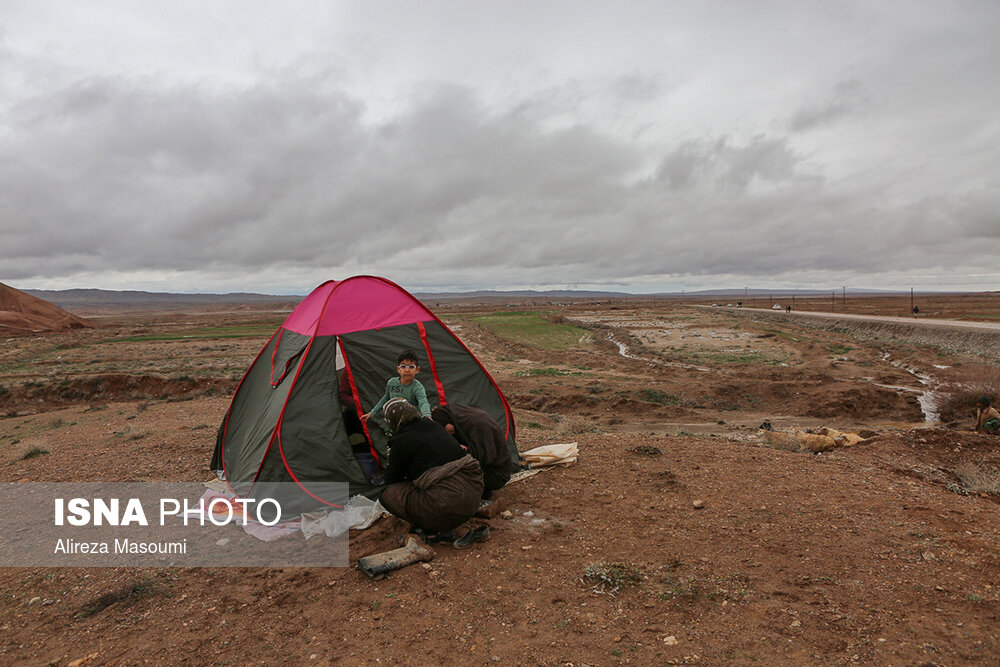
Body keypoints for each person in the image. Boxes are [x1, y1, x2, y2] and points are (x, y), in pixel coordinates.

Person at [379, 399, 487, 546]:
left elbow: (392, 478)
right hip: (473, 497)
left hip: (444, 507)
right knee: (427, 481)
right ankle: (440, 520)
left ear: (392, 421)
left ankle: (431, 528)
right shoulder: (433, 425)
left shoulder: (400, 441)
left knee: (387, 494)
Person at [431, 404, 517, 498]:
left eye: (445, 429)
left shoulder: (478, 424)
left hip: (496, 474)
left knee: (453, 477)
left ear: (448, 422)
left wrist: (465, 451)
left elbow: (487, 457)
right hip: (488, 468)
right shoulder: (461, 419)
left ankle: (480, 494)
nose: (448, 434)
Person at [362, 349, 432, 425]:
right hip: (395, 421)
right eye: (403, 366)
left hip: (412, 422)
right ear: (398, 369)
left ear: (417, 370)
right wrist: (372, 413)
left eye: (411, 367)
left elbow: (423, 402)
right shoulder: (391, 383)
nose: (407, 370)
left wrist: (426, 415)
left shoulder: (417, 387)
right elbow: (386, 398)